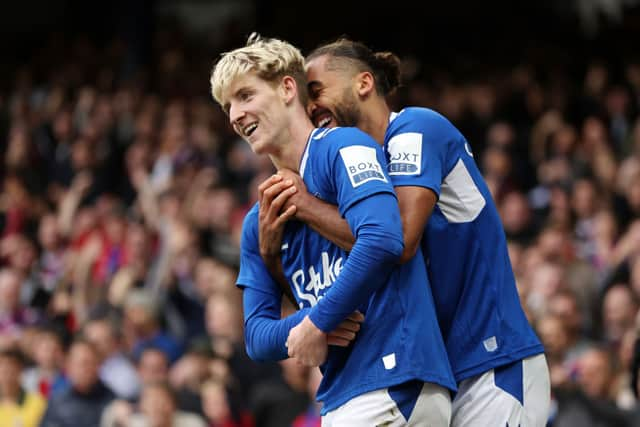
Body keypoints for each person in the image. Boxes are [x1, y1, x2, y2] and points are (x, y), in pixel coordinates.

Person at [259, 38, 550, 426]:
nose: (310, 108)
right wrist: (271, 254)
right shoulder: (351, 183)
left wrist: (304, 205)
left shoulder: (415, 128)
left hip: (492, 360)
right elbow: (320, 285)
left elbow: (400, 241)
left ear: (363, 84)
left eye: (317, 91)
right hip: (438, 373)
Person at [209, 34, 455, 425]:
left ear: (288, 88)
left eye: (245, 95)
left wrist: (318, 320)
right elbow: (256, 337)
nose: (235, 114)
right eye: (228, 105)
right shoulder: (258, 220)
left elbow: (383, 239)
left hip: (395, 379)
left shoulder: (343, 146)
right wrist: (311, 323)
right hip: (344, 395)